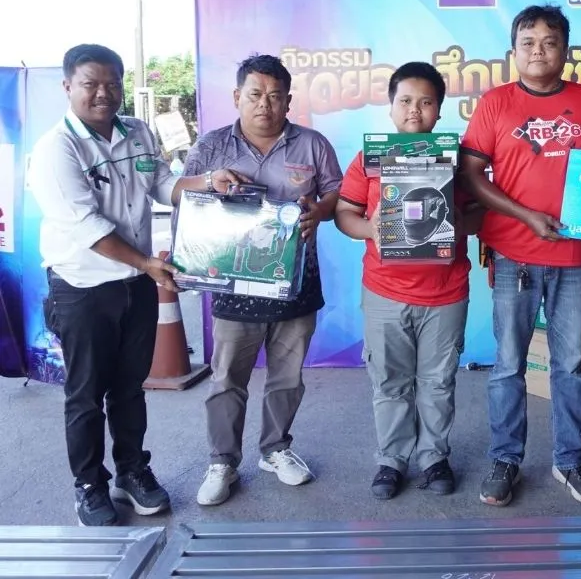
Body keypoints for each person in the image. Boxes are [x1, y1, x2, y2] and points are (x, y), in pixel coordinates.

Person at [28, 44, 245, 527]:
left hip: (136, 284)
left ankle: (131, 471)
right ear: (68, 86)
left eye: (112, 83)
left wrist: (209, 181)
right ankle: (89, 484)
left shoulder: (138, 132)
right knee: (86, 394)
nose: (103, 93)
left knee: (130, 388)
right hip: (82, 288)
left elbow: (164, 185)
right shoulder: (56, 149)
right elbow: (87, 229)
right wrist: (148, 263)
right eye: (91, 84)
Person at [459, 4, 581, 508]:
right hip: (513, 254)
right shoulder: (495, 104)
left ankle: (570, 460)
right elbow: (471, 176)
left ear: (566, 50)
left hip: (574, 254)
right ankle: (505, 459)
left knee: (570, 365)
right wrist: (526, 216)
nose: (539, 51)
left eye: (550, 42)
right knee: (509, 364)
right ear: (514, 51)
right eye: (528, 43)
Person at [185, 54, 342, 507]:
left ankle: (276, 449)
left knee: (287, 377)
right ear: (238, 96)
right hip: (233, 283)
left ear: (289, 100)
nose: (265, 105)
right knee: (227, 378)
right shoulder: (212, 146)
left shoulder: (312, 144)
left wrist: (319, 211)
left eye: (275, 96)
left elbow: (337, 192)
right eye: (255, 94)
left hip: (296, 281)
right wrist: (208, 186)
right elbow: (184, 195)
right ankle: (222, 461)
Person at [334, 62, 483, 499]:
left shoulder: (458, 160)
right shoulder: (370, 159)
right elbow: (344, 213)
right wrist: (371, 229)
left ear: (439, 109)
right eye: (405, 101)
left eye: (426, 102)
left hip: (446, 292)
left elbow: (481, 211)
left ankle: (434, 457)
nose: (414, 110)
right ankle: (392, 460)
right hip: (384, 290)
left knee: (438, 381)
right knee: (389, 381)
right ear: (391, 107)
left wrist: (462, 222)